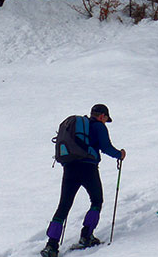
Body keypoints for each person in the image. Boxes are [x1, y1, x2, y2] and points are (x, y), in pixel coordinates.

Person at [42, 104, 125, 257]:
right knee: (96, 200)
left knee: (64, 205)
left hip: (69, 167)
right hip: (88, 168)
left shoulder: (80, 128)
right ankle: (86, 235)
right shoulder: (98, 127)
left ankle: (51, 245)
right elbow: (106, 147)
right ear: (102, 116)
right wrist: (119, 154)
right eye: (106, 119)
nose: (105, 122)